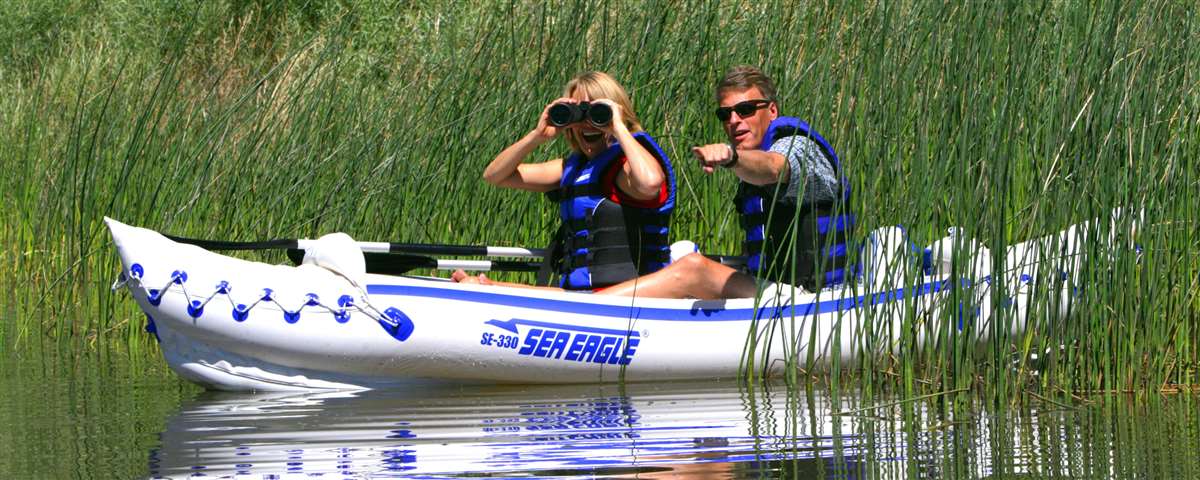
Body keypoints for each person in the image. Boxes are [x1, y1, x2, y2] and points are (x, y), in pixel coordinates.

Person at [598, 65, 854, 299]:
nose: (733, 121)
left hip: (817, 299)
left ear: (772, 110)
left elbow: (774, 168)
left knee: (693, 270)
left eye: (745, 110)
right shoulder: (751, 163)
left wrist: (732, 158)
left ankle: (590, 308)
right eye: (725, 113)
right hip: (772, 289)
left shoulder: (797, 145)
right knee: (678, 256)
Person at [451, 71, 676, 291]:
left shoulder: (627, 167)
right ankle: (484, 287)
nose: (588, 124)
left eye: (597, 113)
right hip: (582, 295)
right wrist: (537, 136)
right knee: (481, 286)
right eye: (578, 114)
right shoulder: (570, 169)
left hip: (631, 294)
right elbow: (494, 175)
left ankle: (487, 288)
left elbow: (649, 183)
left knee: (487, 287)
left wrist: (618, 127)